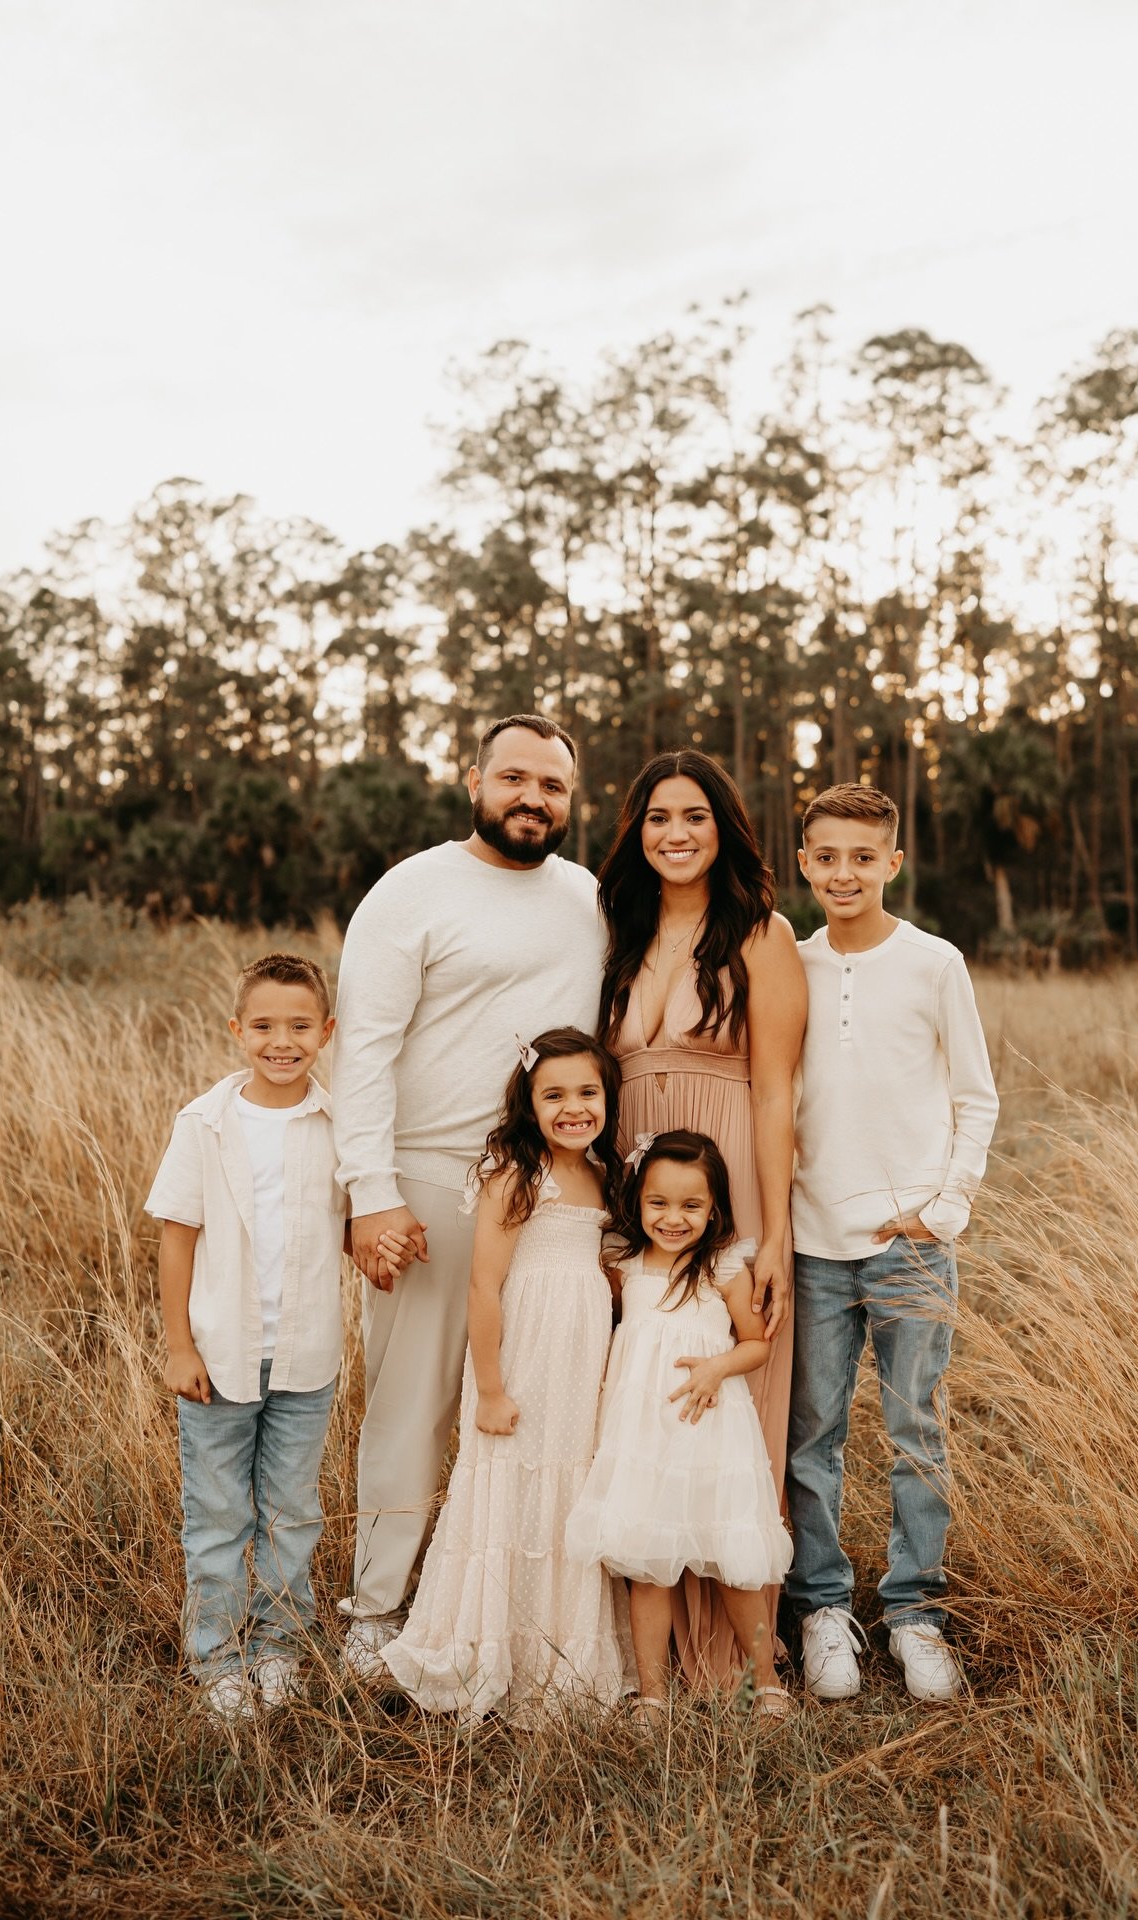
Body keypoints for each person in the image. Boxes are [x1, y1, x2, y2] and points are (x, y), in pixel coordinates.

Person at [333, 714, 605, 1676]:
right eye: (515, 778)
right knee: (414, 1401)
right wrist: (371, 1192)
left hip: (553, 1186)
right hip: (429, 1178)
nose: (533, 798)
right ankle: (377, 1607)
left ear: (571, 800)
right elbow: (363, 1049)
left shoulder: (587, 897)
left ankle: (512, 1606)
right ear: (475, 781)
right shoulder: (412, 890)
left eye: (553, 785)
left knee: (538, 1401)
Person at [785, 783, 999, 1705]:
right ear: (804, 863)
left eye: (863, 858)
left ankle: (915, 1612)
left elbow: (975, 1096)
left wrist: (943, 1208)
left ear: (893, 864)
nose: (845, 873)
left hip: (909, 1242)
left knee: (916, 1431)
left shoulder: (934, 963)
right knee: (811, 1435)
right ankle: (822, 1608)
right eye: (828, 857)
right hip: (811, 1241)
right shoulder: (789, 964)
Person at [595, 749, 805, 1684]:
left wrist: (774, 1236)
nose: (675, 834)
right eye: (657, 818)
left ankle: (734, 1649)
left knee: (729, 1395)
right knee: (642, 1386)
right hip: (639, 1186)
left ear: (724, 829)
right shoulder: (619, 932)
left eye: (694, 817)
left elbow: (776, 1092)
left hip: (731, 1177)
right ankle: (644, 1642)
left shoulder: (760, 933)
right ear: (635, 833)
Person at [379, 1029, 628, 1722]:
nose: (573, 1108)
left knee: (568, 1483)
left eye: (588, 1092)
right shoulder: (518, 1174)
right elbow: (485, 1287)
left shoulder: (602, 1175)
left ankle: (554, 1652)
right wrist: (489, 1388)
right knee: (512, 1481)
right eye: (554, 1095)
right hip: (523, 1355)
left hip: (578, 1356)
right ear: (529, 1103)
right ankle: (482, 1644)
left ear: (608, 1098)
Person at [145, 952, 346, 1724]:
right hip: (220, 1356)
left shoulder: (338, 1125)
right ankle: (218, 1657)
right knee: (219, 1513)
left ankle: (279, 1646)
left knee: (292, 1511)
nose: (281, 1041)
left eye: (299, 1026)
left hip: (306, 1355)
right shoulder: (204, 1123)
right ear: (237, 1030)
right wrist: (179, 1347)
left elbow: (356, 1223)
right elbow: (177, 1237)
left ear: (326, 1032)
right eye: (263, 1026)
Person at [567, 1130, 793, 1721]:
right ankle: (652, 1693)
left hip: (709, 1431)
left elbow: (756, 1345)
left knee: (734, 1564)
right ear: (638, 1201)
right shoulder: (624, 1265)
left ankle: (764, 1681)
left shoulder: (722, 1267)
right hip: (642, 1434)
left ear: (714, 1208)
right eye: (658, 1203)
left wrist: (718, 1366)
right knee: (648, 1566)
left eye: (691, 1205)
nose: (673, 1218)